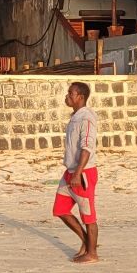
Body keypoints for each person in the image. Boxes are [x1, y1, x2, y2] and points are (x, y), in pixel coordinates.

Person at [54, 81, 99, 262]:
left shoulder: (86, 118)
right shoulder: (75, 117)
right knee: (60, 209)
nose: (67, 96)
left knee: (88, 215)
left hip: (83, 173)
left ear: (80, 97)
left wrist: (78, 173)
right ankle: (86, 242)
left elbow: (87, 147)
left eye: (70, 93)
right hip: (71, 171)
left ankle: (92, 253)